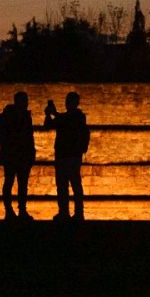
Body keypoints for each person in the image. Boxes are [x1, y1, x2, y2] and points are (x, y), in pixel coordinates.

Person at [45, 91, 91, 221]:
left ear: (75, 103)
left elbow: (64, 121)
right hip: (64, 155)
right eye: (67, 100)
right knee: (63, 185)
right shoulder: (67, 117)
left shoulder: (78, 116)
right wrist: (48, 114)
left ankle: (77, 213)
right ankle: (65, 212)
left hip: (71, 155)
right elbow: (48, 125)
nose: (66, 103)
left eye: (69, 101)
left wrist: (54, 114)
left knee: (73, 184)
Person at [0, 90, 36, 221]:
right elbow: (0, 135)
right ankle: (10, 210)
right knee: (10, 182)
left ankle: (21, 210)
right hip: (12, 155)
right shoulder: (6, 116)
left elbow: (30, 137)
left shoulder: (25, 116)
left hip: (21, 155)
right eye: (25, 100)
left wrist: (31, 152)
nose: (27, 103)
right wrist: (12, 144)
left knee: (21, 184)